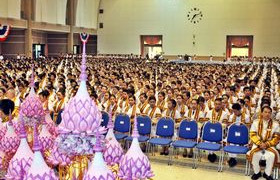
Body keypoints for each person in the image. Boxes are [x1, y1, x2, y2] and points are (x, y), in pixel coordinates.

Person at [248, 106, 279, 180]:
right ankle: (257, 172)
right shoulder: (256, 122)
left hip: (269, 144)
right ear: (261, 113)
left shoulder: (276, 124)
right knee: (254, 154)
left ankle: (267, 174)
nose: (267, 114)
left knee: (271, 155)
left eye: (269, 112)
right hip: (257, 144)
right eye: (265, 112)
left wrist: (267, 144)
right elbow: (252, 135)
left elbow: (276, 137)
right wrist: (259, 143)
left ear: (271, 114)